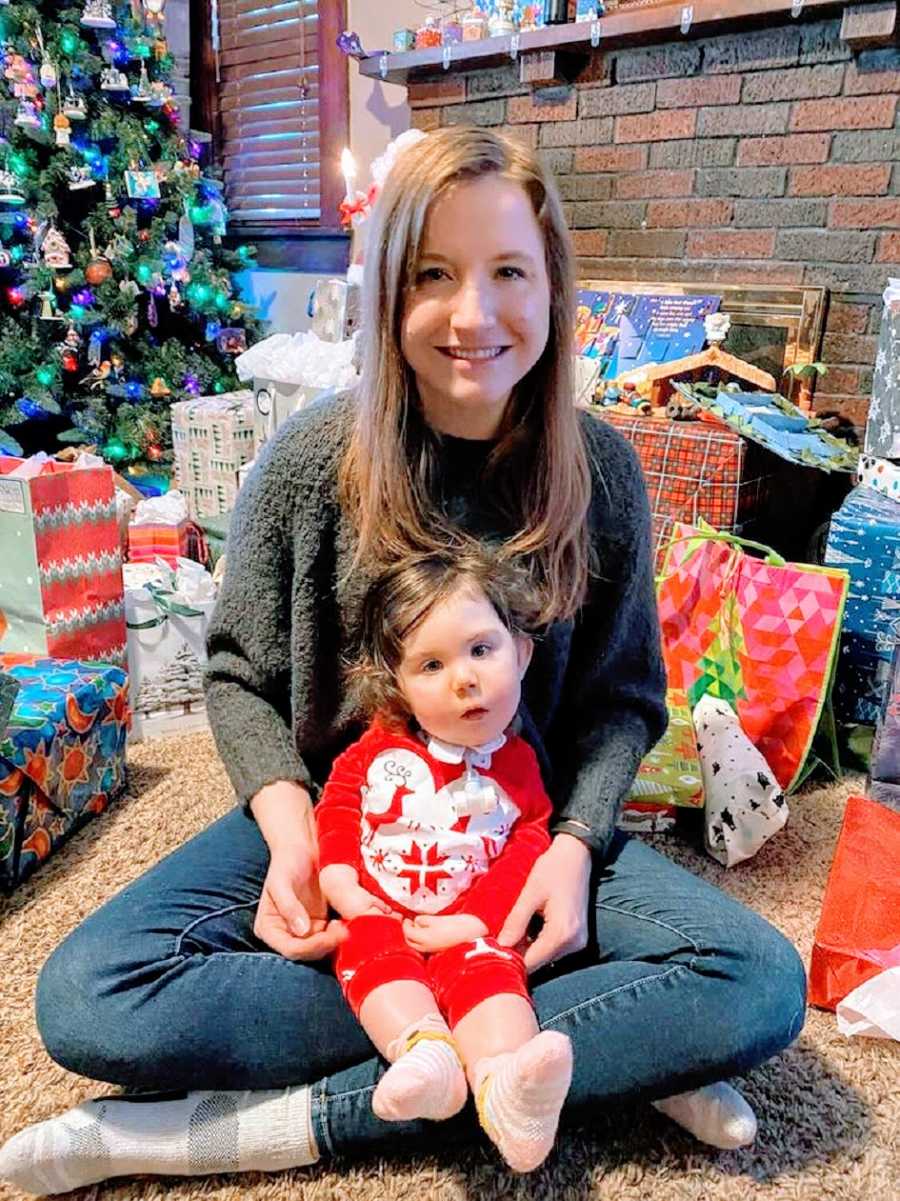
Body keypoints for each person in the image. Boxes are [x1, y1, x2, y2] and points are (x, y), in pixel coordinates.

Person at [0, 126, 806, 1196]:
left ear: (554, 285)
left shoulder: (603, 474)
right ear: (388, 292)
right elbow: (238, 670)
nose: (474, 315)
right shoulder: (311, 461)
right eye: (434, 274)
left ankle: (265, 1125)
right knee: (91, 993)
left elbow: (620, 705)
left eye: (509, 271)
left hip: (523, 831)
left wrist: (572, 847)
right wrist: (291, 832)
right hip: (342, 831)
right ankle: (589, 1054)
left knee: (754, 981)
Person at [318, 545, 571, 1173]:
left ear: (523, 653)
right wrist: (337, 874)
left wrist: (479, 922)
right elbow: (340, 803)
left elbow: (527, 847)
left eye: (482, 650)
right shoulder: (380, 747)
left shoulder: (519, 769)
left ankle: (506, 1085)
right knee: (372, 959)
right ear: (397, 686)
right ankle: (425, 1056)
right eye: (431, 664)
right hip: (382, 911)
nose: (464, 678)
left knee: (494, 976)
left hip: (465, 925)